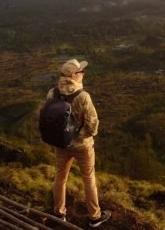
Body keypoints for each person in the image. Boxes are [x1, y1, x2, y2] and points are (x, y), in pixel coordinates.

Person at [48, 58, 111, 227]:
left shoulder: (52, 93)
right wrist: (84, 136)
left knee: (60, 179)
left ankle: (59, 214)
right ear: (73, 75)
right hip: (83, 146)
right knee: (89, 179)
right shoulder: (83, 96)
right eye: (80, 71)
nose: (83, 73)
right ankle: (94, 217)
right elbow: (93, 124)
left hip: (61, 144)